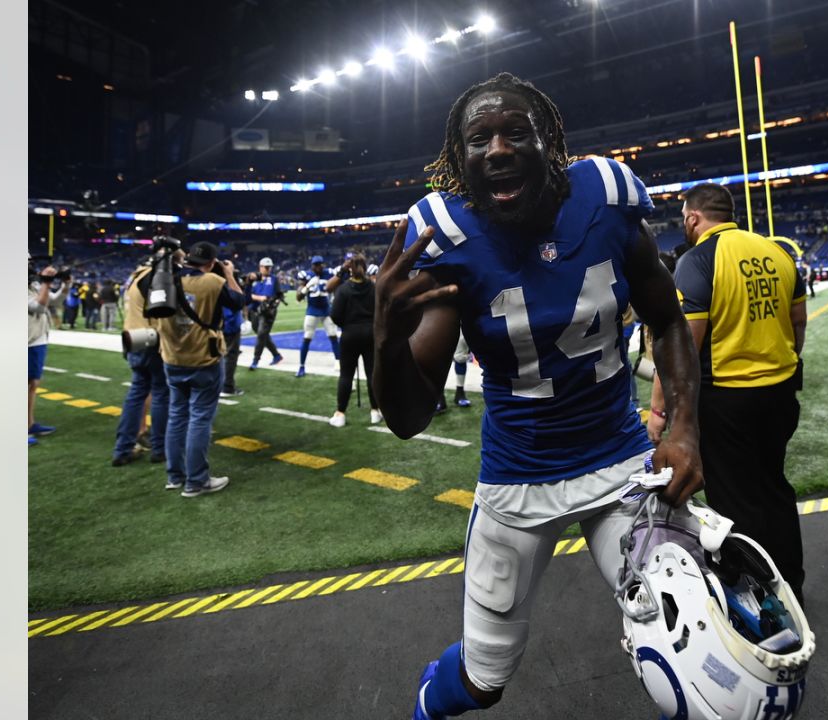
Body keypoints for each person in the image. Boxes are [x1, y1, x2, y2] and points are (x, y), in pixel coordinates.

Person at [373, 72, 702, 720]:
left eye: (514, 131)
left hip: (622, 465)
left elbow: (667, 319)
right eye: (478, 139)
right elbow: (410, 420)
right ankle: (425, 702)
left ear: (550, 140)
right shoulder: (454, 241)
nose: (496, 148)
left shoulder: (605, 200)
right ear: (459, 161)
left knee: (692, 647)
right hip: (519, 483)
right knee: (483, 681)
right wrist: (385, 341)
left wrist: (685, 427)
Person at [647, 181, 809, 607]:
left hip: (729, 398)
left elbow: (683, 346)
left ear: (694, 218)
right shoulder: (779, 252)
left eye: (685, 218)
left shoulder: (698, 260)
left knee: (734, 498)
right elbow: (799, 326)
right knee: (774, 486)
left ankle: (758, 595)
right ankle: (791, 581)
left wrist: (660, 410)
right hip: (780, 391)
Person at [158, 241, 244, 497]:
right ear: (211, 263)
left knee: (176, 417)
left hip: (172, 357)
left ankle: (175, 476)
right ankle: (196, 481)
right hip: (203, 358)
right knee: (199, 418)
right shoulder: (213, 282)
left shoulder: (168, 280)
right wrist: (228, 273)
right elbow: (238, 300)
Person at [112, 260, 168, 466]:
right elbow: (163, 312)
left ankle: (122, 448)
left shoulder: (134, 277)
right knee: (161, 393)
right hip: (150, 340)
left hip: (132, 339)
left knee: (136, 394)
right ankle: (160, 448)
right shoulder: (154, 277)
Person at [328, 253, 380, 427]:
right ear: (365, 268)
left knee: (346, 375)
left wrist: (347, 325)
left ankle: (340, 413)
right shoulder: (373, 288)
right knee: (372, 373)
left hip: (350, 334)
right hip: (370, 334)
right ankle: (375, 411)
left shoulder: (343, 289)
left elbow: (334, 315)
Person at [29, 261, 69, 445]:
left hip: (37, 339)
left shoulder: (33, 284)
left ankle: (29, 423)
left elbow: (56, 300)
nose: (30, 266)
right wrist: (46, 282)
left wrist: (66, 284)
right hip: (27, 340)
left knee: (32, 384)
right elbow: (38, 306)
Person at [294, 255, 341, 378]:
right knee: (307, 337)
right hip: (312, 310)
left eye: (320, 264)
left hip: (326, 310)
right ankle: (301, 366)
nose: (318, 267)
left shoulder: (329, 273)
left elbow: (338, 284)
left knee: (333, 336)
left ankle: (338, 362)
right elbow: (298, 297)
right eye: (316, 265)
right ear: (312, 266)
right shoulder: (306, 275)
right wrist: (307, 287)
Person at [247, 257, 286, 370]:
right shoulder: (253, 279)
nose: (269, 269)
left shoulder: (274, 280)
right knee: (262, 335)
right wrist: (260, 298)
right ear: (260, 267)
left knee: (261, 334)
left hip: (267, 312)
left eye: (270, 267)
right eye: (266, 267)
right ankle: (276, 355)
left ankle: (255, 360)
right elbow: (247, 294)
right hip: (254, 310)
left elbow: (279, 295)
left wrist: (275, 303)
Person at [220, 260, 245, 397]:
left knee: (222, 356)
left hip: (222, 323)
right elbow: (239, 300)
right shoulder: (227, 283)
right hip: (230, 324)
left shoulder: (214, 281)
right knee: (230, 356)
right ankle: (227, 386)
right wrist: (229, 274)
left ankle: (222, 384)